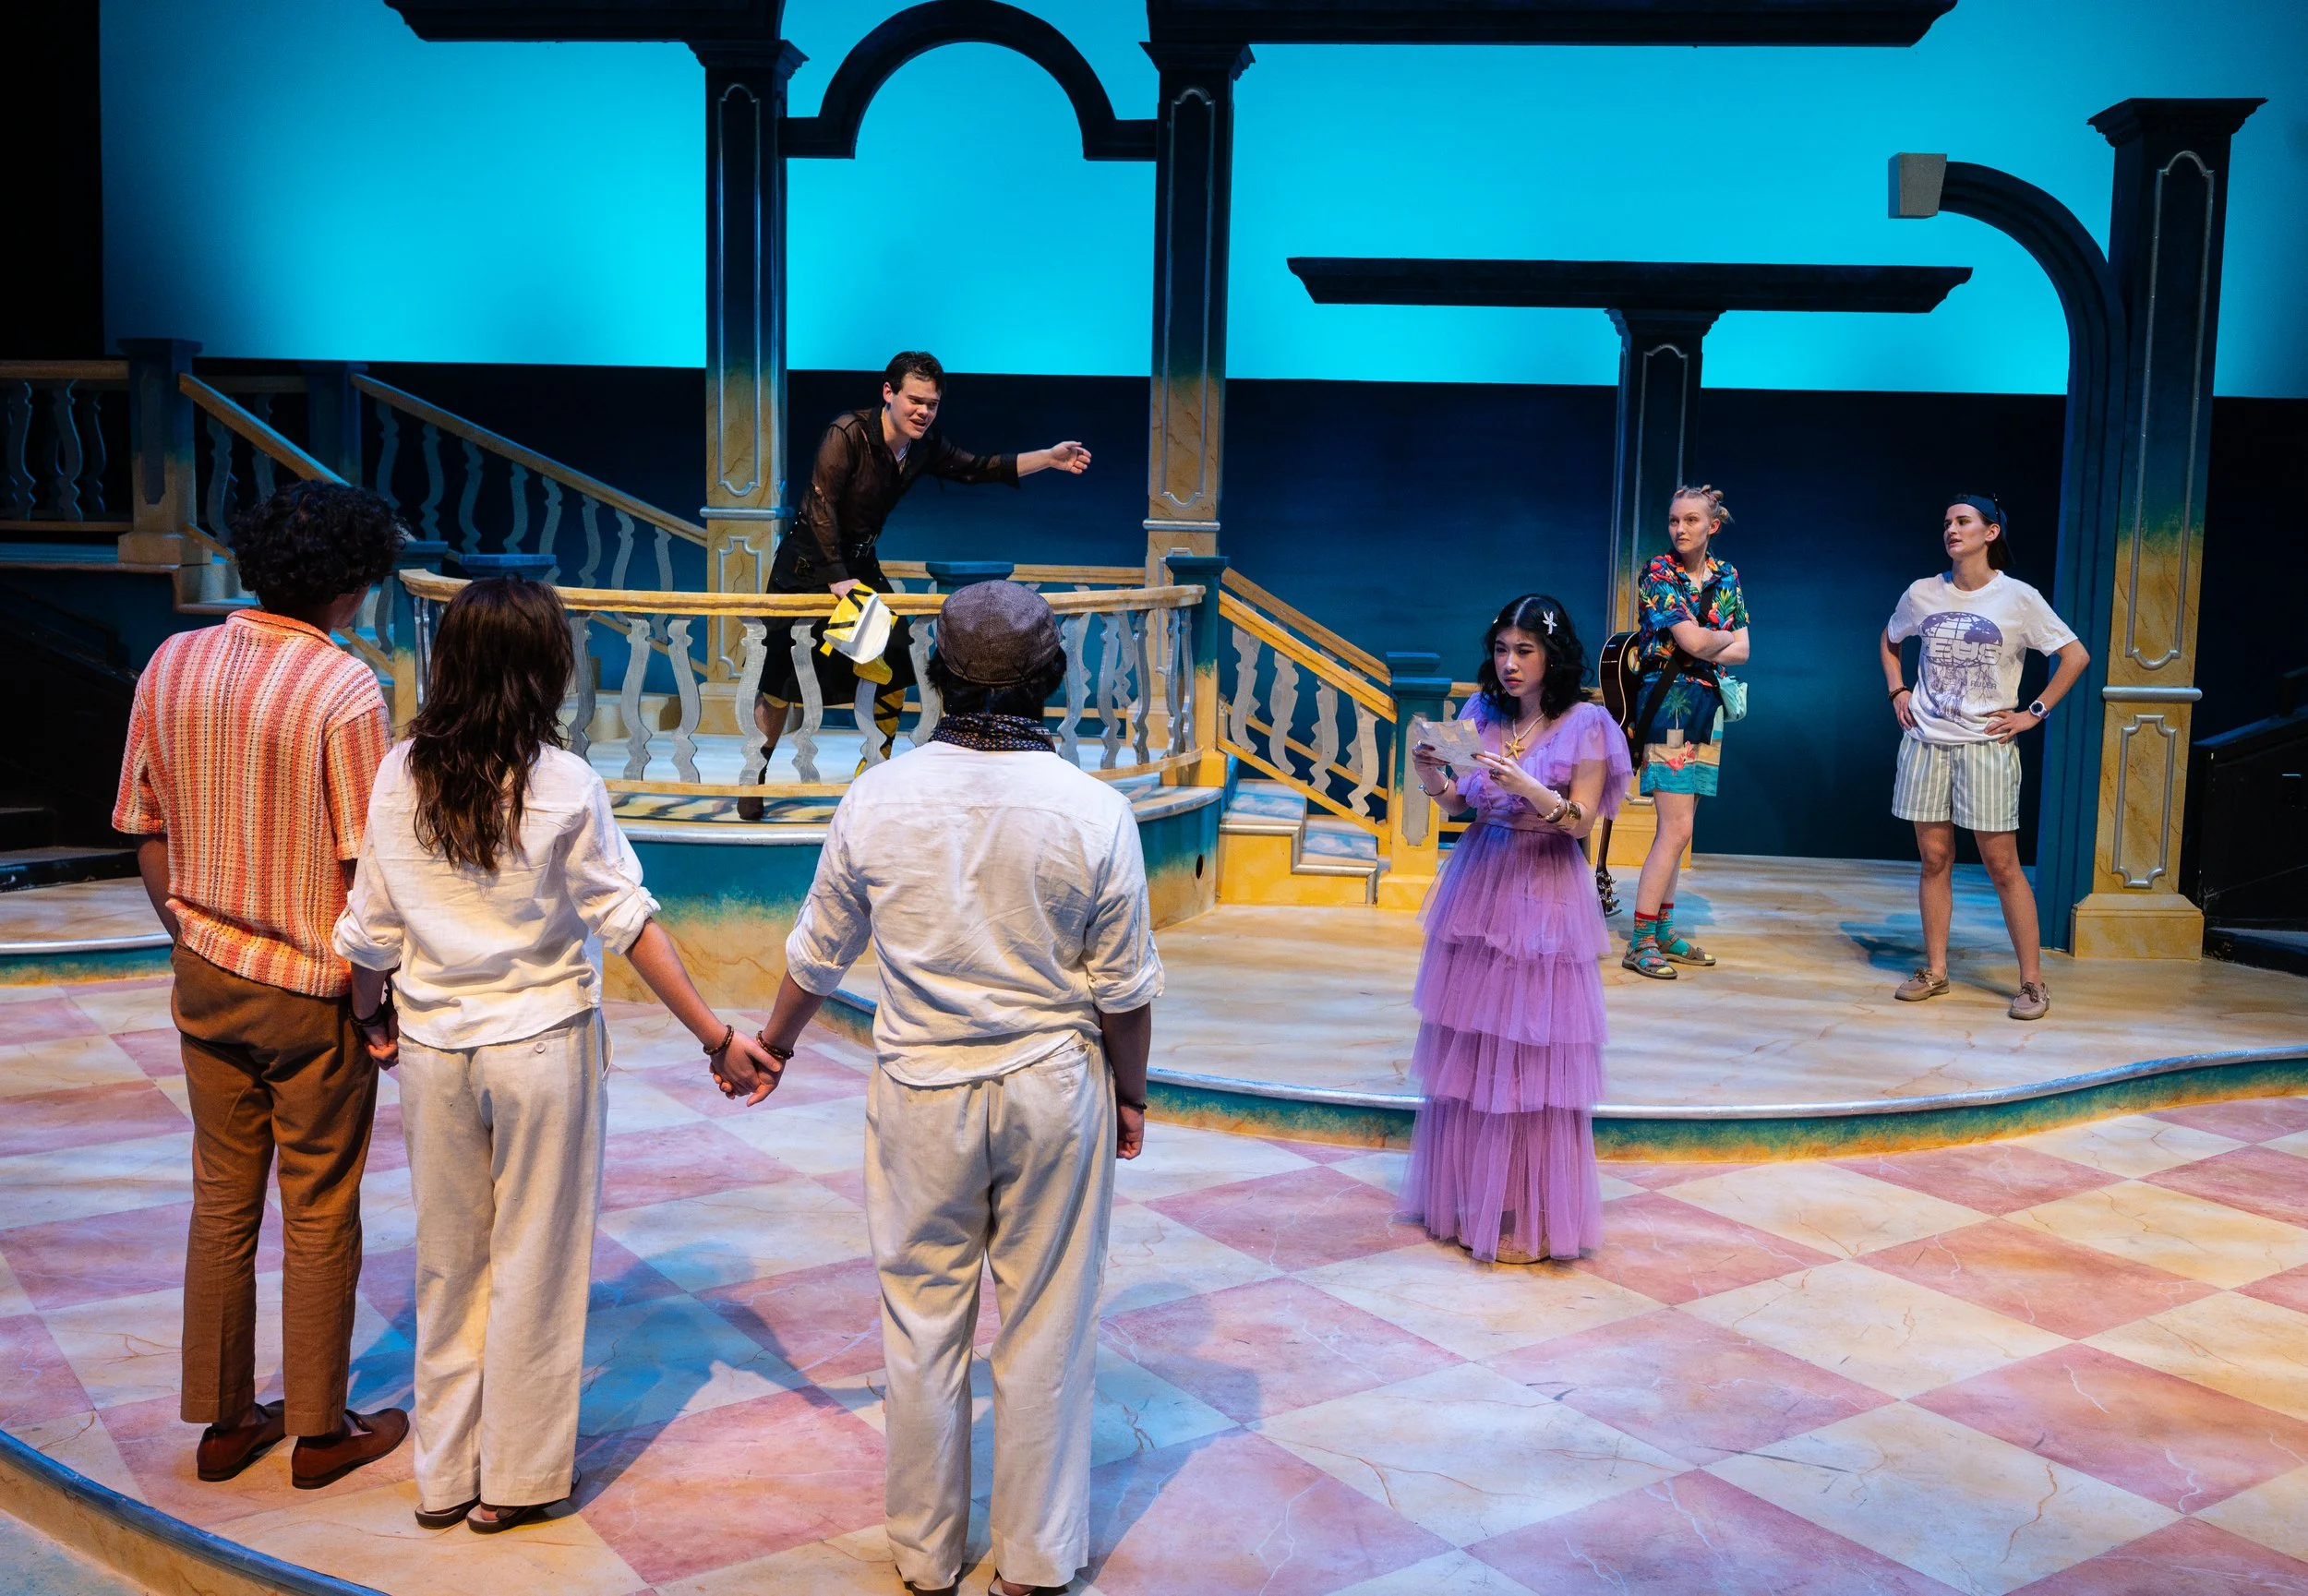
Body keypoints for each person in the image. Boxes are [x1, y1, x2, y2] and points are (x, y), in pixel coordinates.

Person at [715, 581, 1160, 1596]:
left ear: (937, 673)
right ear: (1052, 679)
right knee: (1048, 1321)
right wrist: (1130, 1092)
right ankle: (1035, 1560)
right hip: (1052, 1086)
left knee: (920, 1323)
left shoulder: (879, 796)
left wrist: (773, 1045)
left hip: (921, 1087)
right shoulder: (1095, 810)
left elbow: (819, 951)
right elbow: (1125, 990)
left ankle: (924, 1553)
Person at [333, 577, 777, 1532]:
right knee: (535, 1260)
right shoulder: (565, 781)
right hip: (540, 1046)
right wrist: (716, 1038)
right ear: (544, 667)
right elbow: (629, 921)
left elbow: (369, 930)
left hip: (436, 1046)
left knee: (450, 1264)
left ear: (452, 662)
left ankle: (444, 1477)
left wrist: (372, 1017)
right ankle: (517, 1480)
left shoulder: (399, 770)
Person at [112, 481, 410, 1489]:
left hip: (205, 974)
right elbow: (367, 872)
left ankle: (226, 1421)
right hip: (310, 990)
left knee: (221, 1203)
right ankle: (321, 1430)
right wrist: (373, 1005)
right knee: (319, 1205)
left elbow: (144, 828)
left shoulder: (172, 660)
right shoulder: (344, 690)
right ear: (351, 584)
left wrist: (194, 937)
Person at [739, 350, 1093, 817]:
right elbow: (819, 506)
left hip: (858, 565)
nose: (923, 411)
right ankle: (755, 774)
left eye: (932, 403)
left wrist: (1048, 458)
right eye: (915, 400)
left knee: (898, 661)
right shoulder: (847, 433)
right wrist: (838, 579)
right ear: (888, 393)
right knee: (779, 682)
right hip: (806, 568)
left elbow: (980, 467)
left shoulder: (922, 447)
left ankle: (872, 775)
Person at [1405, 594, 1630, 1265]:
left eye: (1524, 650)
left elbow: (1583, 821)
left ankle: (1531, 1211)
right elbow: (1460, 804)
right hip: (1481, 878)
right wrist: (1431, 775)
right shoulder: (1482, 712)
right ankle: (1474, 1197)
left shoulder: (1586, 723)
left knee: (1534, 1047)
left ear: (1552, 656)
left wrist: (1530, 786)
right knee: (1475, 1042)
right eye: (1502, 649)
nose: (1509, 663)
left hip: (1546, 883)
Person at [1880, 496, 2088, 1021]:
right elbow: (1889, 638)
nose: (1951, 530)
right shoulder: (1922, 592)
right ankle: (1935, 970)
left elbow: (2074, 655)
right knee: (1934, 859)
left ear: (1990, 532)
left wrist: (2033, 712)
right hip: (1927, 741)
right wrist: (1898, 690)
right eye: (1947, 522)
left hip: (1986, 745)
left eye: (1963, 521)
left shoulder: (2017, 597)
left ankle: (2033, 983)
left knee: (2002, 865)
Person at [1622, 485, 1750, 980]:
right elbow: (1696, 641)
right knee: (1674, 828)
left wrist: (1705, 642)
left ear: (1712, 525)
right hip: (1669, 707)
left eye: (1691, 520)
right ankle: (1640, 941)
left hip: (1708, 705)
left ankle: (1663, 930)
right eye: (1675, 520)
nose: (1680, 529)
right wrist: (1715, 639)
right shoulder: (1659, 572)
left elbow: (1744, 650)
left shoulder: (1726, 575)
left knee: (1684, 829)